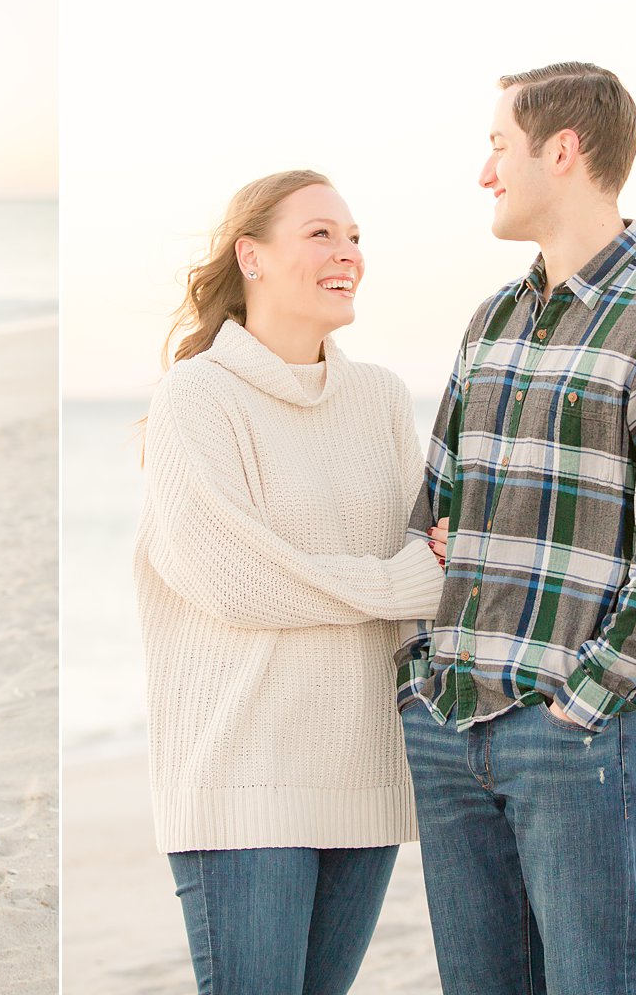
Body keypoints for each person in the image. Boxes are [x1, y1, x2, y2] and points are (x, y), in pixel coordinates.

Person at [397, 63, 636, 994]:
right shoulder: (493, 319)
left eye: (498, 146)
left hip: (579, 735)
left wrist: (583, 704)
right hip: (452, 722)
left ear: (563, 150)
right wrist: (418, 681)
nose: (485, 172)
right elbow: (436, 509)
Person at [133, 170, 447, 995]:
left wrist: (424, 572)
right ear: (253, 256)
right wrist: (398, 582)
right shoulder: (195, 396)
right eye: (320, 234)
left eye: (354, 236)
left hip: (367, 771)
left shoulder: (379, 397)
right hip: (243, 777)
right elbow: (234, 578)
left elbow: (431, 563)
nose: (347, 252)